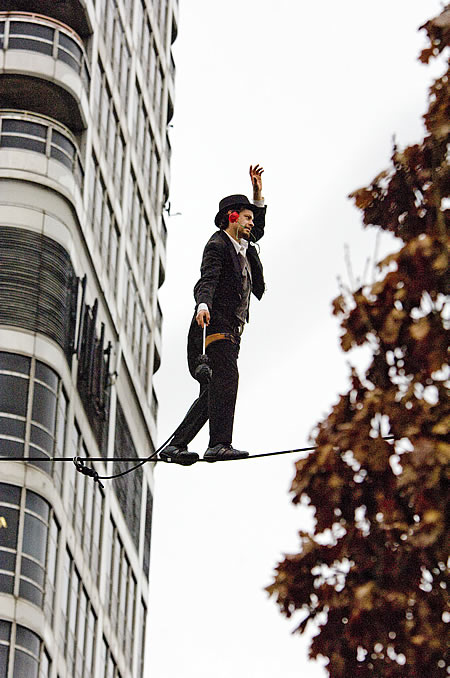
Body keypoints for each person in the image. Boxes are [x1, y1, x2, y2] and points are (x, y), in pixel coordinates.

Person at [160, 165, 266, 464]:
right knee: (227, 380)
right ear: (232, 217)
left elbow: (259, 228)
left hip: (227, 331)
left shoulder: (244, 246)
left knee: (212, 395)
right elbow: (207, 279)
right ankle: (219, 443)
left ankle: (175, 446)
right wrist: (202, 305)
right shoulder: (218, 244)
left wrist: (257, 195)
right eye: (246, 217)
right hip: (211, 327)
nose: (251, 224)